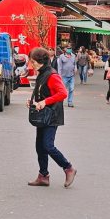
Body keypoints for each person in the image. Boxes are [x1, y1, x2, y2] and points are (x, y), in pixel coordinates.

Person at [26, 46, 77, 188]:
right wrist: (33, 101)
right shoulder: (42, 73)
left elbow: (63, 93)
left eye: (33, 61)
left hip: (52, 115)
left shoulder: (52, 75)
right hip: (43, 115)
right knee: (39, 146)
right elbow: (43, 92)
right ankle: (43, 176)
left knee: (48, 145)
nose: (31, 64)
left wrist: (44, 102)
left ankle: (68, 168)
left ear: (40, 61)